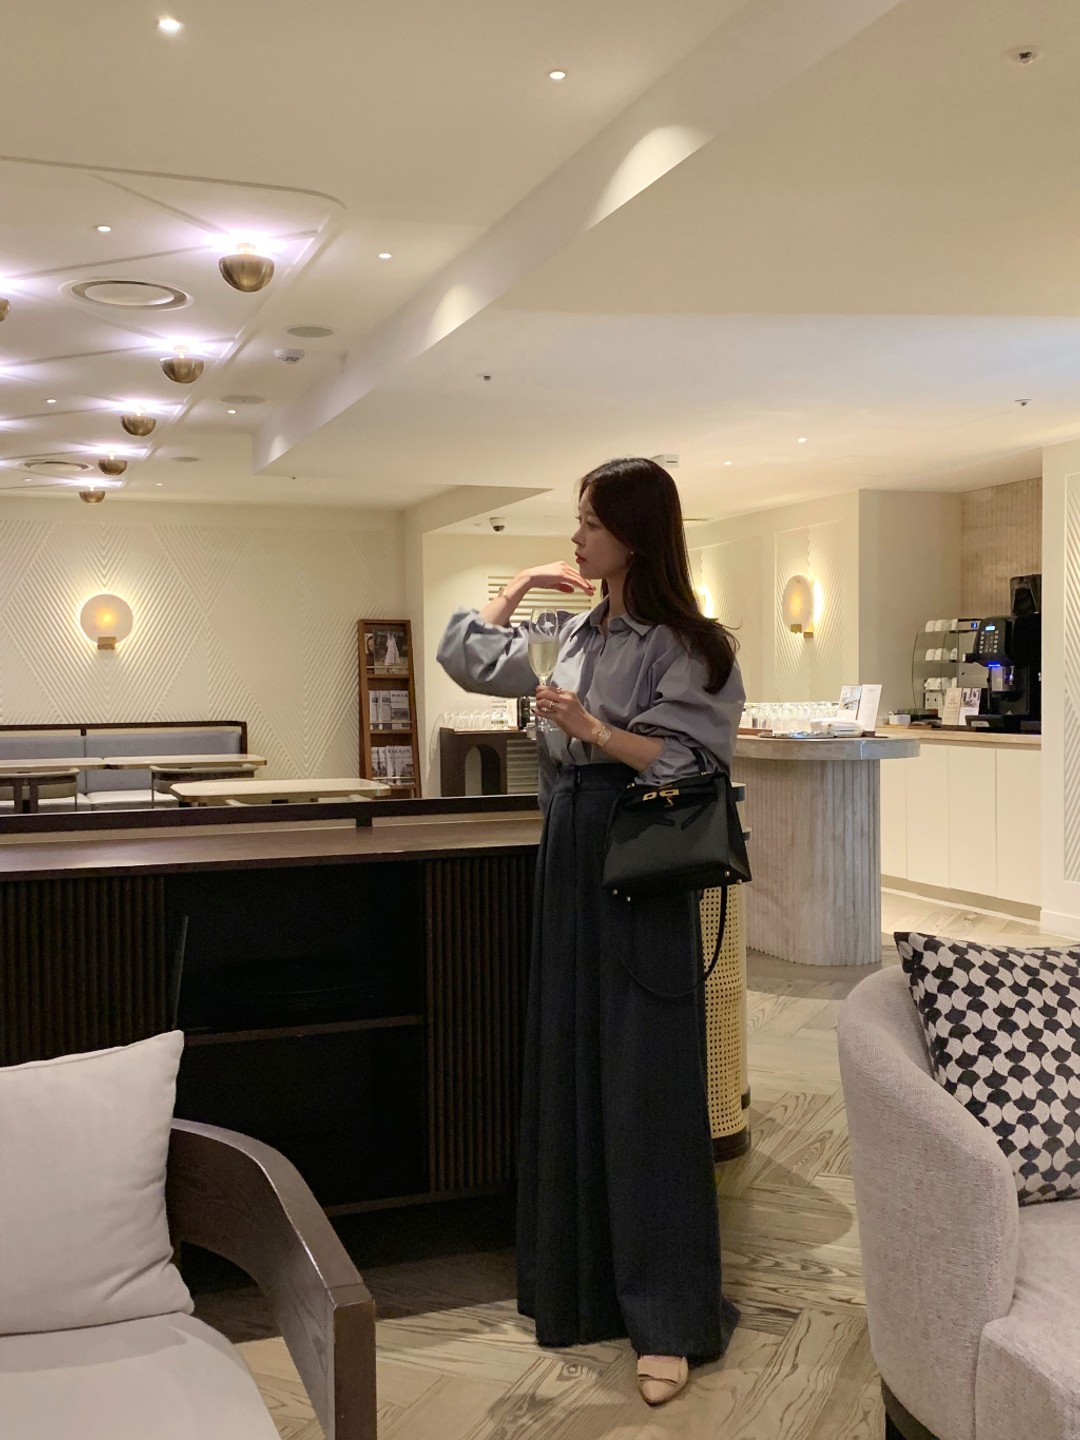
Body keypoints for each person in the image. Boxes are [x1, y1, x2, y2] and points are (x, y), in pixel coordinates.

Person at [436, 456, 744, 1405]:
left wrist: (592, 727)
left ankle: (669, 1318)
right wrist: (521, 585)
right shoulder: (574, 629)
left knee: (647, 1074)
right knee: (572, 1056)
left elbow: (692, 759)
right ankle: (578, 1287)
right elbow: (464, 658)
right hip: (568, 845)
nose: (576, 537)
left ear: (636, 536)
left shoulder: (688, 643)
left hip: (638, 850)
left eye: (591, 523)